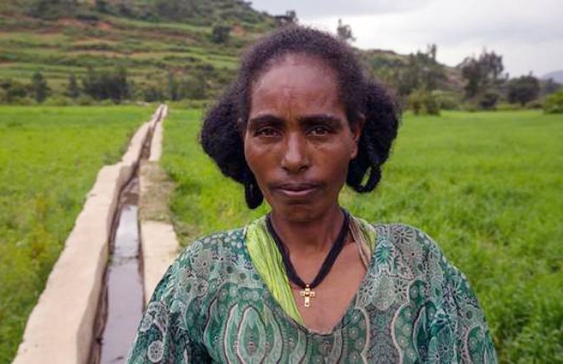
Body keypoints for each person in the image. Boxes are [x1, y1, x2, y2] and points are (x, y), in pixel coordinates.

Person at [127, 26, 497, 363]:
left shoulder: (418, 267)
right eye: (268, 131)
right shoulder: (201, 275)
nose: (294, 159)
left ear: (354, 134)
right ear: (244, 137)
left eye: (319, 129)